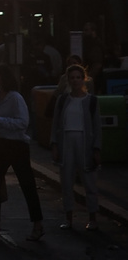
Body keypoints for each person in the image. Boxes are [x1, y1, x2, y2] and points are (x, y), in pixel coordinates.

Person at [0, 63, 44, 242]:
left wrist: (0, 119)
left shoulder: (15, 98)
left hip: (17, 145)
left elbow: (23, 122)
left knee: (26, 184)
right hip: (1, 144)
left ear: (2, 77)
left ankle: (38, 224)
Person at [50, 63, 102, 230]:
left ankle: (93, 218)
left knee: (89, 181)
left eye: (78, 77)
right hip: (66, 141)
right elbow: (55, 123)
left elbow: (97, 126)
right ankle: (69, 217)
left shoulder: (91, 101)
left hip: (85, 142)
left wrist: (96, 148)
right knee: (66, 181)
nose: (75, 81)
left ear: (83, 79)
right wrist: (54, 144)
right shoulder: (63, 100)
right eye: (72, 78)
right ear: (68, 80)